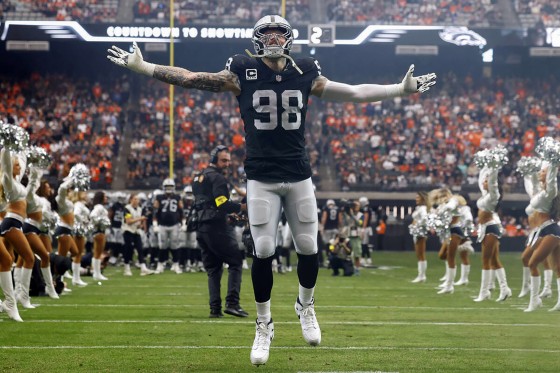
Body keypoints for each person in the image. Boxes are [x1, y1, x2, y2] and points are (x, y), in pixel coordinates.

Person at [107, 14, 436, 365]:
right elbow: (191, 78)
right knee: (263, 249)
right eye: (269, 33)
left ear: (290, 38)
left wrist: (400, 89)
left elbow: (353, 92)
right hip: (262, 176)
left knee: (309, 246)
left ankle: (305, 305)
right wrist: (144, 67)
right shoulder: (241, 70)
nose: (275, 38)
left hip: (298, 174)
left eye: (281, 32)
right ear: (257, 38)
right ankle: (264, 323)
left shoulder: (305, 70)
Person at [192, 145, 248, 319]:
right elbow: (221, 204)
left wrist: (230, 215)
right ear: (214, 159)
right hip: (215, 226)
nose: (227, 163)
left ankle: (214, 309)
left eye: (229, 160)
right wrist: (242, 207)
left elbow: (208, 204)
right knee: (236, 261)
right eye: (224, 160)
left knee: (214, 269)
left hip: (201, 225)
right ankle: (232, 303)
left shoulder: (199, 177)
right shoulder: (217, 178)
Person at [1, 149, 37, 310]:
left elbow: (21, 163)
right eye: (15, 165)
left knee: (6, 261)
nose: (19, 167)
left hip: (16, 224)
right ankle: (21, 297)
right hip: (11, 223)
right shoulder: (7, 180)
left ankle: (11, 298)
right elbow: (6, 163)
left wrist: (23, 149)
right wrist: (6, 148)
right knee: (29, 257)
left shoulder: (17, 181)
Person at [522, 161, 560, 312]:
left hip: (549, 230)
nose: (540, 173)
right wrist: (529, 172)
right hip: (543, 231)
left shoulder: (550, 192)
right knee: (557, 267)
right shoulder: (541, 191)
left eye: (543, 171)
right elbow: (532, 185)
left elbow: (551, 181)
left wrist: (553, 163)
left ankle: (534, 300)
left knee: (532, 262)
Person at [474, 165, 511, 302]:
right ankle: (505, 288)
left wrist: (494, 167)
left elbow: (493, 182)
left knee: (486, 260)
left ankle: (484, 292)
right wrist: (485, 165)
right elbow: (480, 180)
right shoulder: (486, 195)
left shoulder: (493, 196)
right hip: (486, 228)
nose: (483, 182)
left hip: (491, 228)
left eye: (486, 181)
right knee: (494, 261)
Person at [23, 164, 59, 298]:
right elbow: (43, 214)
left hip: (33, 228)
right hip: (30, 228)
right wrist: (51, 218)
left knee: (24, 260)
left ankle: (21, 292)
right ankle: (49, 288)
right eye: (47, 187)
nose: (50, 189)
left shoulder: (38, 198)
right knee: (44, 256)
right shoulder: (38, 198)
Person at [153, 178, 183, 274]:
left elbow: (181, 210)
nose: (169, 189)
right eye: (167, 187)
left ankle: (176, 265)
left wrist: (183, 222)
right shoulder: (159, 197)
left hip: (174, 225)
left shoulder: (178, 197)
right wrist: (154, 223)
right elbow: (155, 210)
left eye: (170, 187)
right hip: (162, 225)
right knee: (162, 246)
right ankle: (160, 265)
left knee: (175, 245)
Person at [122, 193, 154, 276]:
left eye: (137, 199)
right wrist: (141, 219)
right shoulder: (127, 208)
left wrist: (141, 224)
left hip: (136, 231)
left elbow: (139, 222)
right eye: (134, 199)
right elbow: (128, 221)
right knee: (128, 250)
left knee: (140, 249)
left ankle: (143, 268)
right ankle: (127, 268)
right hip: (128, 231)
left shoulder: (140, 209)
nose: (136, 201)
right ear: (130, 200)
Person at [409, 191, 430, 283]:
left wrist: (417, 225)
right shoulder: (419, 208)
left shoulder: (423, 208)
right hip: (417, 232)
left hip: (420, 232)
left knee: (421, 254)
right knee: (419, 254)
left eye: (418, 197)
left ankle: (422, 276)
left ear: (422, 198)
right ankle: (421, 275)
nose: (416, 199)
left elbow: (425, 218)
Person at [90, 191, 111, 281]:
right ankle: (96, 273)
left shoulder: (99, 207)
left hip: (99, 231)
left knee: (97, 253)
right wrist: (102, 222)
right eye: (105, 197)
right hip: (99, 231)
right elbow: (93, 216)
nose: (106, 198)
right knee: (98, 253)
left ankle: (96, 273)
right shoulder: (99, 207)